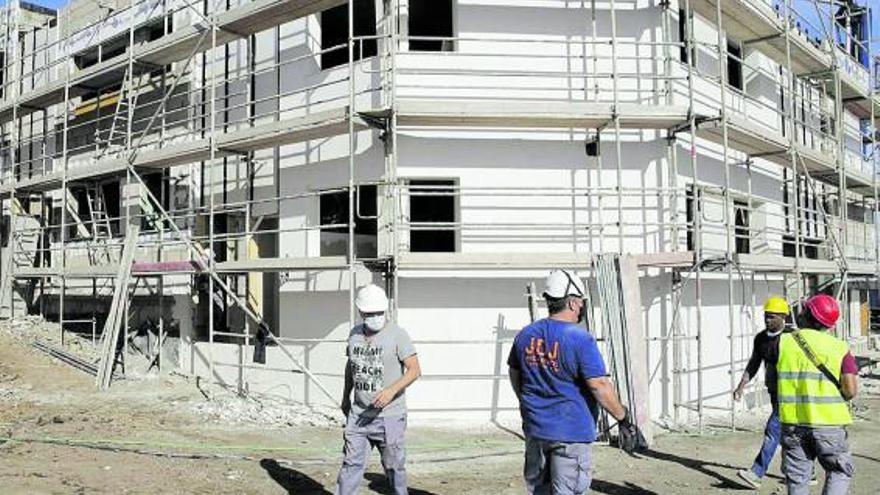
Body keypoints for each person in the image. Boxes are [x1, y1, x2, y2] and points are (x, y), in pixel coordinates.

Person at [507, 269, 647, 495]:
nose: (582, 307)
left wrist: (529, 403)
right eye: (581, 302)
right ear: (572, 303)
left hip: (536, 429)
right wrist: (623, 418)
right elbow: (599, 385)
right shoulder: (580, 339)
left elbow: (515, 373)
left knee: (540, 492)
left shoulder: (526, 334)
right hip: (570, 434)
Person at [335, 284, 421, 495]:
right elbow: (351, 365)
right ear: (360, 312)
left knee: (394, 467)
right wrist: (346, 396)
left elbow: (414, 370)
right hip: (359, 414)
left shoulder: (398, 335)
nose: (375, 317)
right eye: (370, 313)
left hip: (389, 416)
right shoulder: (354, 334)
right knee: (350, 466)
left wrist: (391, 391)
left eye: (379, 313)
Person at [777, 294, 858, 495]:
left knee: (797, 479)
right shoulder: (840, 348)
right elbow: (850, 390)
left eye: (803, 310)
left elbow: (772, 380)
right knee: (839, 471)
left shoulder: (784, 342)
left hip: (793, 424)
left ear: (808, 315)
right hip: (830, 426)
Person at [734, 296, 792, 489]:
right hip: (775, 392)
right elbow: (754, 363)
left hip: (791, 393)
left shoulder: (792, 338)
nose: (768, 320)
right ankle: (805, 473)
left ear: (783, 316)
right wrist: (741, 385)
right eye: (766, 316)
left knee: (773, 430)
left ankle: (757, 473)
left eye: (772, 316)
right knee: (789, 433)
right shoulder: (761, 338)